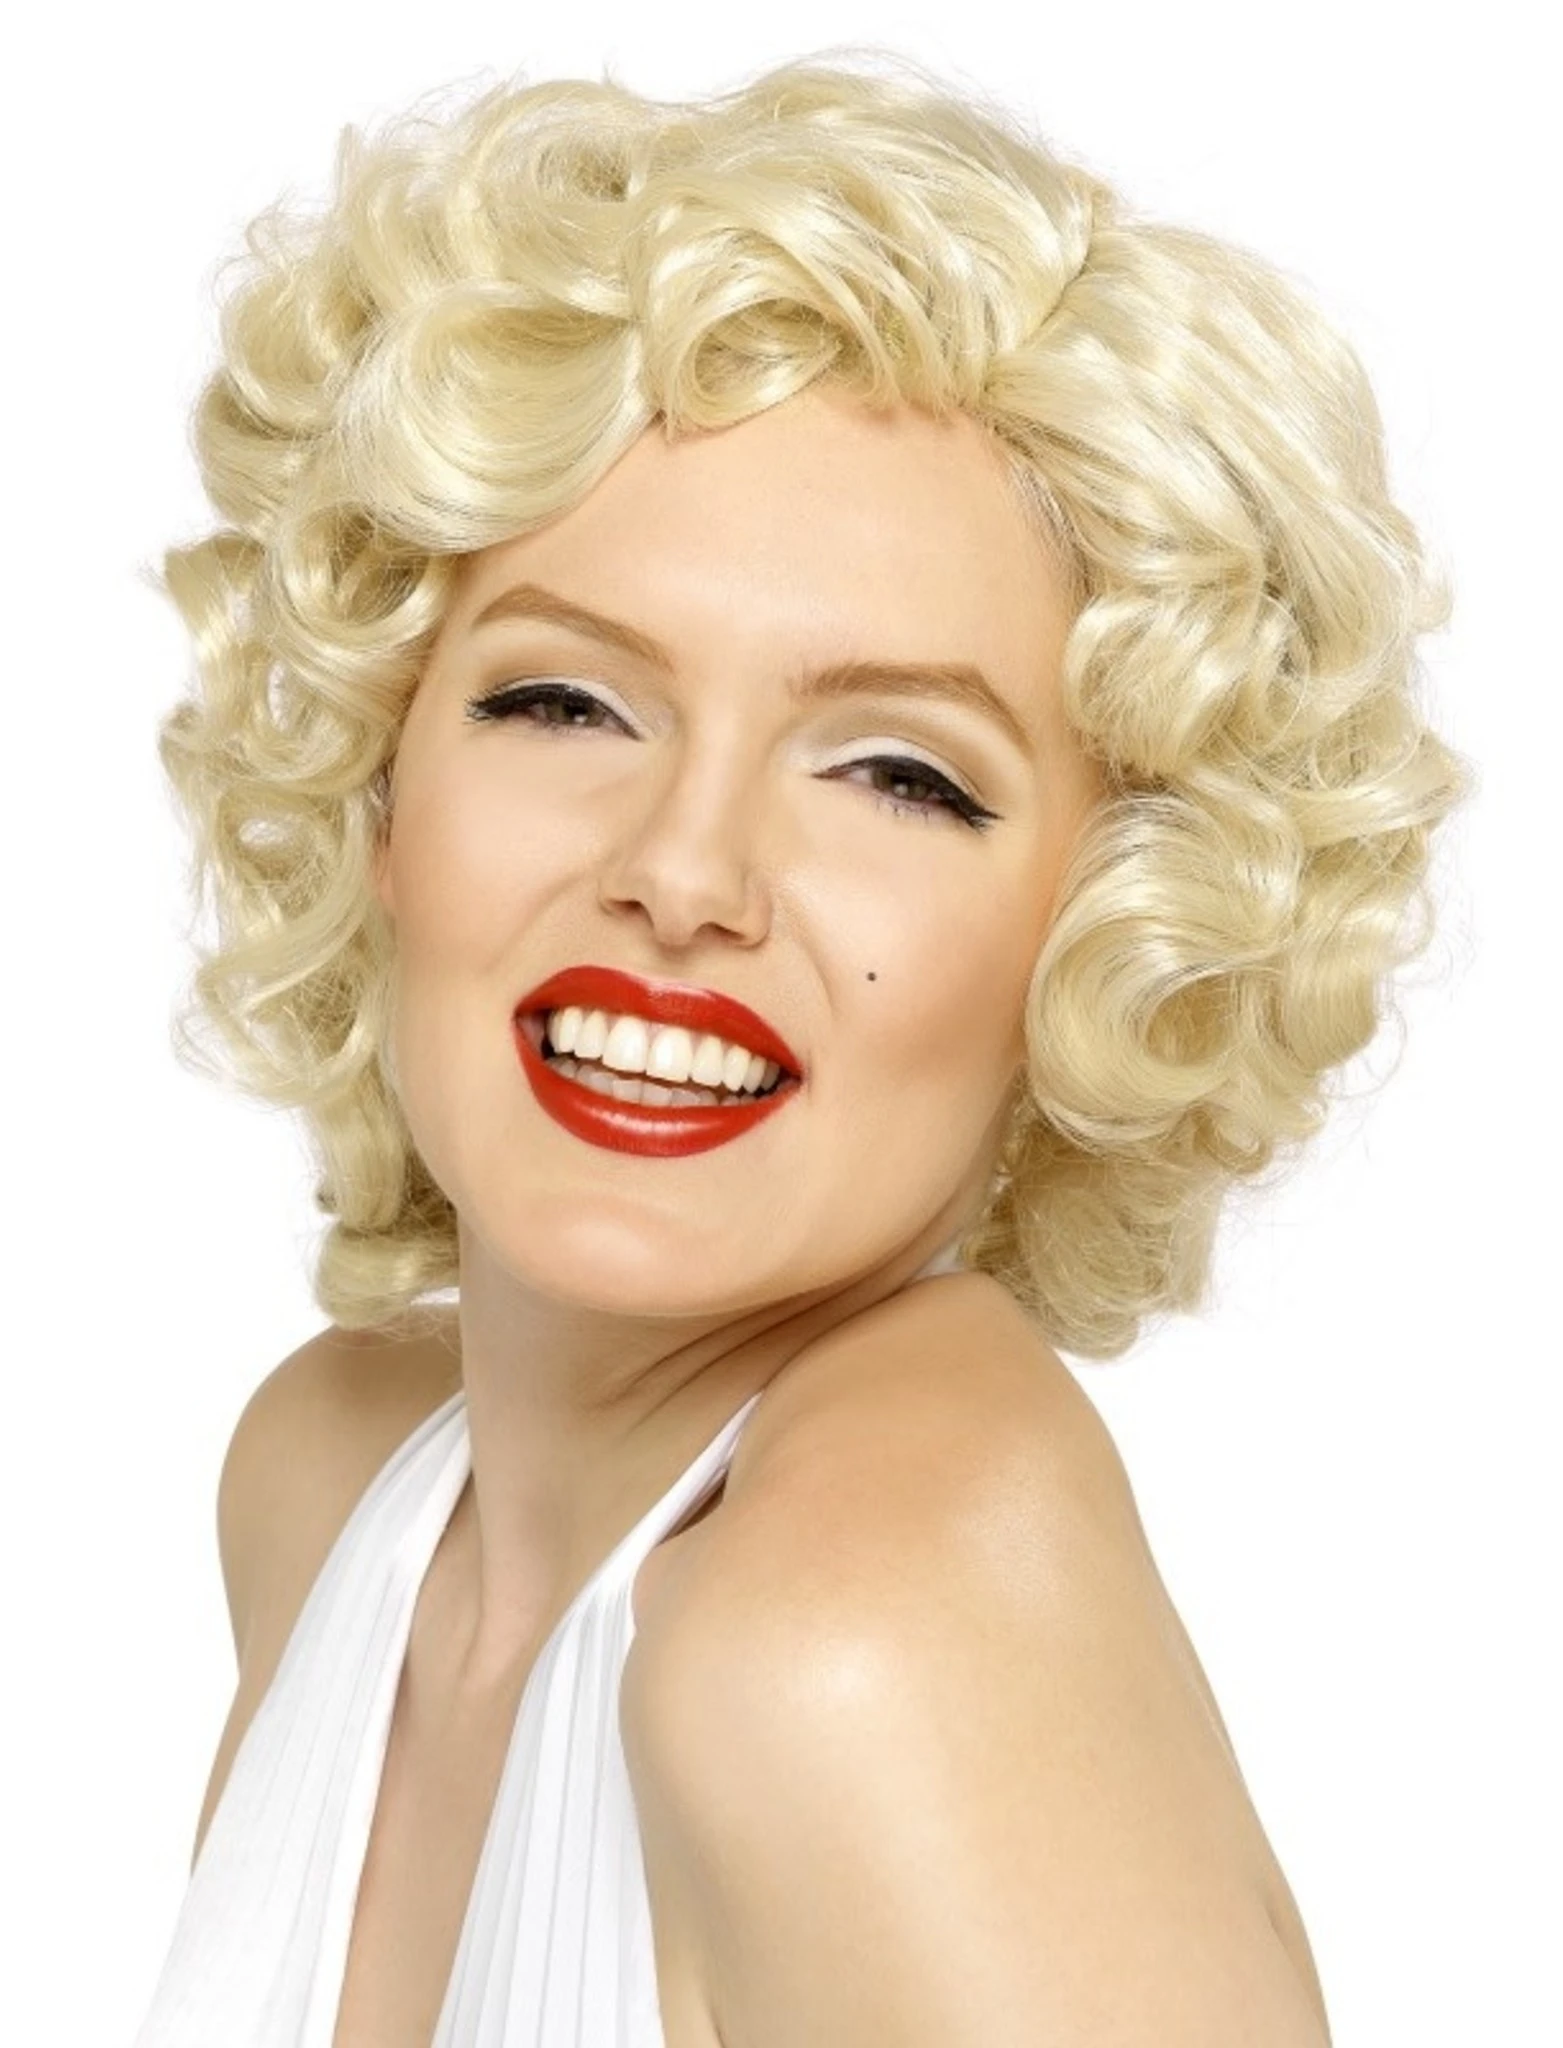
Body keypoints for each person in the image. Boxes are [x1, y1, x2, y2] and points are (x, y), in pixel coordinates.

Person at [131, 50, 1471, 2048]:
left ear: (1101, 938)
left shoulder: (870, 1626)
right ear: (376, 785)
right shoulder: (331, 1489)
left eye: (898, 774)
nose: (684, 872)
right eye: (565, 704)